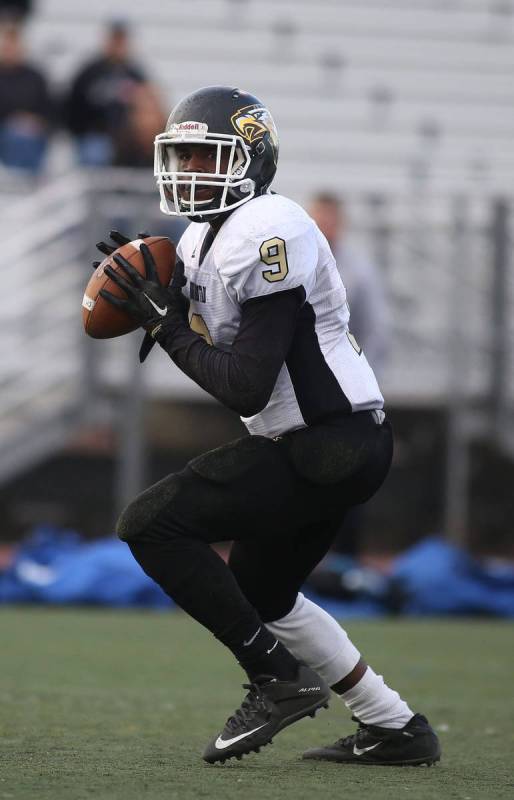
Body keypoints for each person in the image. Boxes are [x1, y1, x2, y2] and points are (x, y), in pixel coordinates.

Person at [92, 86, 440, 767]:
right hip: (323, 443)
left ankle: (275, 680)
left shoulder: (269, 226)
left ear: (251, 160)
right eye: (182, 155)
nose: (190, 171)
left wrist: (166, 326)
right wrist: (159, 309)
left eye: (205, 155)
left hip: (328, 443)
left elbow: (243, 381)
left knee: (150, 523)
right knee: (264, 591)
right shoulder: (202, 237)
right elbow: (220, 361)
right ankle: (396, 726)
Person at [308, 192, 389, 379]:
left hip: (344, 374)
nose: (323, 226)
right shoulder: (295, 265)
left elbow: (375, 329)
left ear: (341, 223)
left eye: (329, 219)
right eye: (318, 220)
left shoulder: (360, 271)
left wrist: (362, 378)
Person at [63, 20, 147, 167]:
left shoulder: (135, 74)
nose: (118, 45)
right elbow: (72, 104)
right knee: (95, 153)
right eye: (115, 40)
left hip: (126, 138)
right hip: (94, 135)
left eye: (121, 40)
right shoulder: (89, 72)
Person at [0, 23, 52, 172]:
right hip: (5, 131)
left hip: (33, 132)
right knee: (17, 138)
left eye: (14, 45)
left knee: (27, 138)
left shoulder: (36, 77)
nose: (10, 51)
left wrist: (37, 122)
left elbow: (49, 110)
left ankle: (27, 181)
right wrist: (13, 120)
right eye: (7, 46)